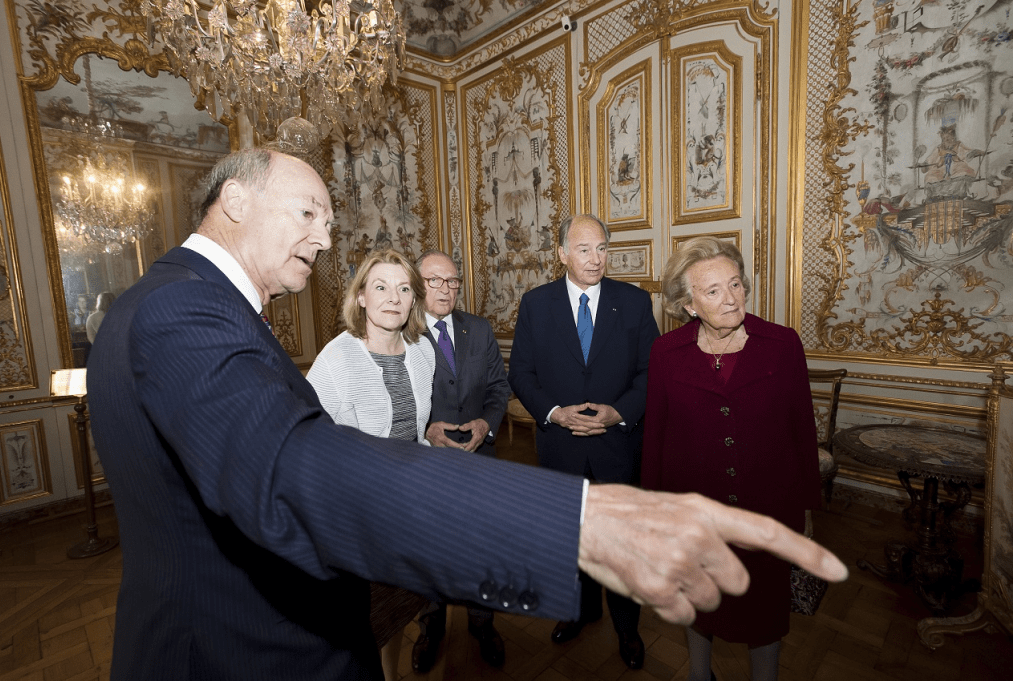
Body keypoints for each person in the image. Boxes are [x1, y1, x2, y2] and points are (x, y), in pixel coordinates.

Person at [86, 148, 847, 681]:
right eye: (309, 210)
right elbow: (292, 466)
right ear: (236, 200)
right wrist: (575, 520)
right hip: (231, 656)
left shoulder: (180, 303)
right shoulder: (183, 310)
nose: (324, 234)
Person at [641, 236, 822, 681]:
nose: (731, 298)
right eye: (714, 291)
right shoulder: (666, 353)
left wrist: (807, 509)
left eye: (736, 284)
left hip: (767, 511)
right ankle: (699, 674)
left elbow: (803, 431)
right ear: (688, 304)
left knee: (764, 611)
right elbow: (656, 437)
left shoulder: (782, 344)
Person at [507, 213, 659, 670]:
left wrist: (620, 413)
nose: (597, 259)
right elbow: (521, 372)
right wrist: (553, 413)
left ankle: (627, 630)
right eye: (585, 249)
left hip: (617, 448)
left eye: (603, 249)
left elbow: (651, 372)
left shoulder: (634, 302)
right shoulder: (536, 304)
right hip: (562, 447)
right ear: (562, 254)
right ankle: (580, 611)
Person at [306, 248, 436, 679]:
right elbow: (309, 446)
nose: (392, 298)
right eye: (380, 287)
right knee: (359, 623)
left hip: (409, 510)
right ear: (360, 296)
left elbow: (415, 433)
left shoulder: (421, 352)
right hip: (358, 517)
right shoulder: (335, 361)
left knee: (397, 609)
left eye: (403, 289)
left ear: (414, 299)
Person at [409, 250, 511, 672]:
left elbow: (498, 389)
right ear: (417, 285)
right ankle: (430, 626)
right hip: (425, 467)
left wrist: (487, 425)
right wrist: (427, 430)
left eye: (452, 281)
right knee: (428, 549)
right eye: (435, 281)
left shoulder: (479, 329)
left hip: (478, 461)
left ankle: (482, 623)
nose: (446, 289)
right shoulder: (402, 332)